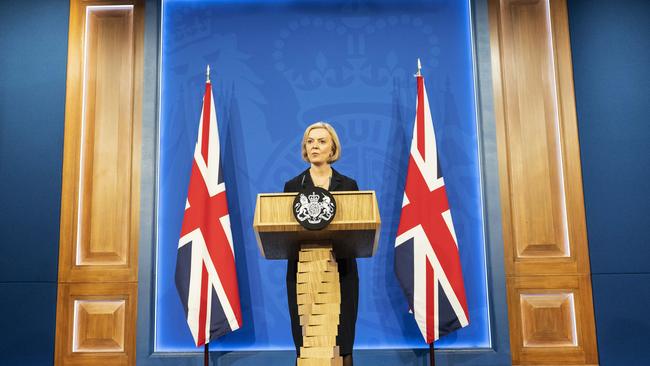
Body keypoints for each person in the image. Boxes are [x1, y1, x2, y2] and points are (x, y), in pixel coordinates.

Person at [283, 122, 359, 366]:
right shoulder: (292, 187)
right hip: (302, 272)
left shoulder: (348, 186)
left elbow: (358, 229)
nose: (315, 146)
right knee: (306, 341)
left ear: (332, 148)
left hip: (342, 271)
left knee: (342, 342)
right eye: (310, 141)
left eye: (322, 141)